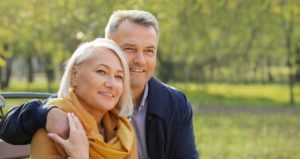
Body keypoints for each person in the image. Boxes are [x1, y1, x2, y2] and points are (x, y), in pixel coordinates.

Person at [0, 10, 199, 159]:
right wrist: (44, 113)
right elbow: (9, 128)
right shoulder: (76, 107)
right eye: (129, 49)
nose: (140, 60)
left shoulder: (174, 103)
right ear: (108, 47)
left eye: (149, 51)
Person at [31, 38, 138, 158]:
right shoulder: (55, 127)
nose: (112, 84)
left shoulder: (123, 132)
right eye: (102, 71)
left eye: (119, 76)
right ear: (74, 76)